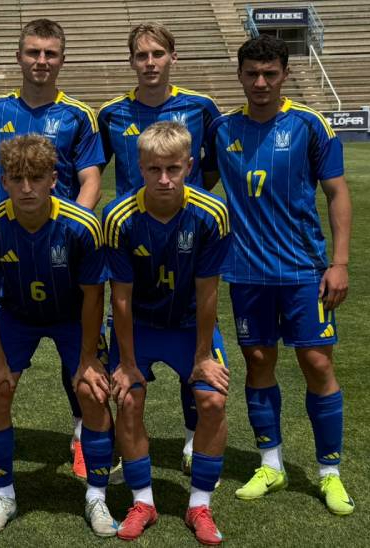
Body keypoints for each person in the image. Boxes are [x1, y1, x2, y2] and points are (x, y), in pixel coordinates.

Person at [202, 35, 354, 516]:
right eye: (252, 73)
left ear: (285, 74)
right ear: (240, 75)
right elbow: (195, 184)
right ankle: (271, 464)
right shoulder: (222, 129)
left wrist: (339, 263)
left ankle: (329, 471)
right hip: (246, 273)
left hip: (304, 270)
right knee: (258, 361)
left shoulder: (309, 124)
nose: (261, 82)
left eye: (270, 73)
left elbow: (337, 193)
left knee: (317, 363)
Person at [0, 17, 106, 480]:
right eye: (33, 52)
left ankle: (82, 437)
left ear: (62, 59)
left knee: (79, 360)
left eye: (50, 53)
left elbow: (90, 179)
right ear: (19, 56)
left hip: (63, 255)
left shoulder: (79, 115)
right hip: (6, 254)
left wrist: (68, 230)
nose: (41, 61)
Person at [97, 22, 222, 474]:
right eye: (141, 55)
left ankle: (192, 438)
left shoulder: (201, 107)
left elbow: (212, 168)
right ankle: (120, 445)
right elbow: (94, 168)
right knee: (127, 326)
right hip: (131, 239)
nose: (150, 63)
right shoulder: (111, 113)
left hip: (184, 235)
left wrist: (187, 207)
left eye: (157, 54)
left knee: (193, 326)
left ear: (173, 57)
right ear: (131, 60)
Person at [0, 134, 107, 534]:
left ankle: (97, 496)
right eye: (17, 178)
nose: (26, 188)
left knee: (93, 391)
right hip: (16, 315)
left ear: (54, 179)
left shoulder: (82, 226)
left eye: (36, 178)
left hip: (71, 316)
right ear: (4, 181)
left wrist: (88, 358)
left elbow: (94, 296)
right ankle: (4, 495)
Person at [103, 121, 231, 544]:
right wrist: (126, 363)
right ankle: (143, 502)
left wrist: (203, 357)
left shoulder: (211, 213)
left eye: (173, 169)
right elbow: (120, 298)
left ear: (189, 166)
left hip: (190, 326)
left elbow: (208, 292)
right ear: (139, 167)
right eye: (154, 169)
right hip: (139, 326)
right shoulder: (118, 217)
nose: (164, 179)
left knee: (212, 401)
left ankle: (200, 506)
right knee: (128, 399)